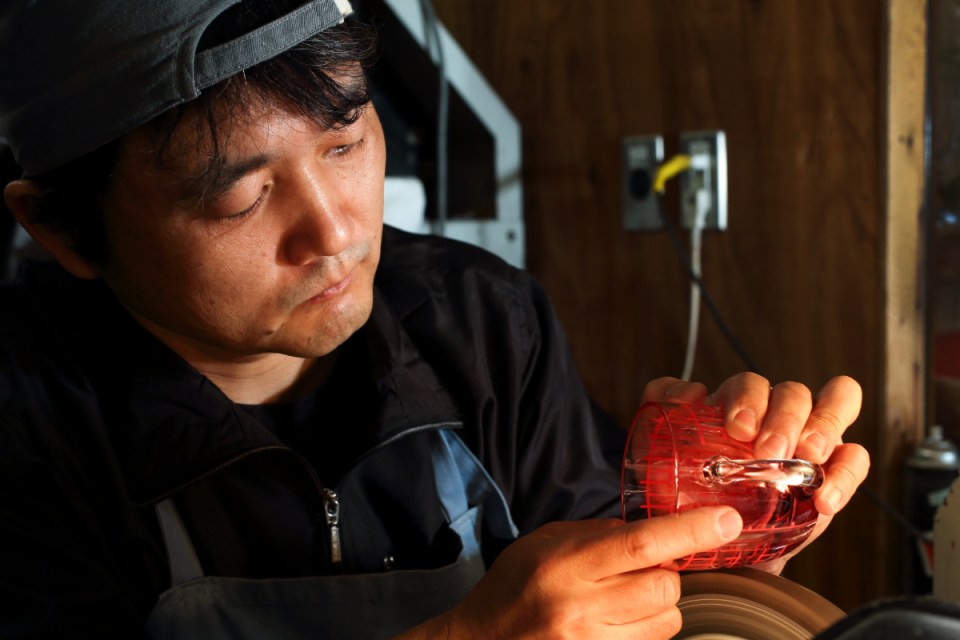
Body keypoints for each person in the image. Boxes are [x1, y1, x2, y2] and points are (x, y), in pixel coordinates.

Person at [0, 1, 870, 638]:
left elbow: (623, 592)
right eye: (241, 197)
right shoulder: (28, 418)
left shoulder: (479, 321)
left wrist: (722, 535)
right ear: (60, 228)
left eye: (345, 144)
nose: (336, 232)